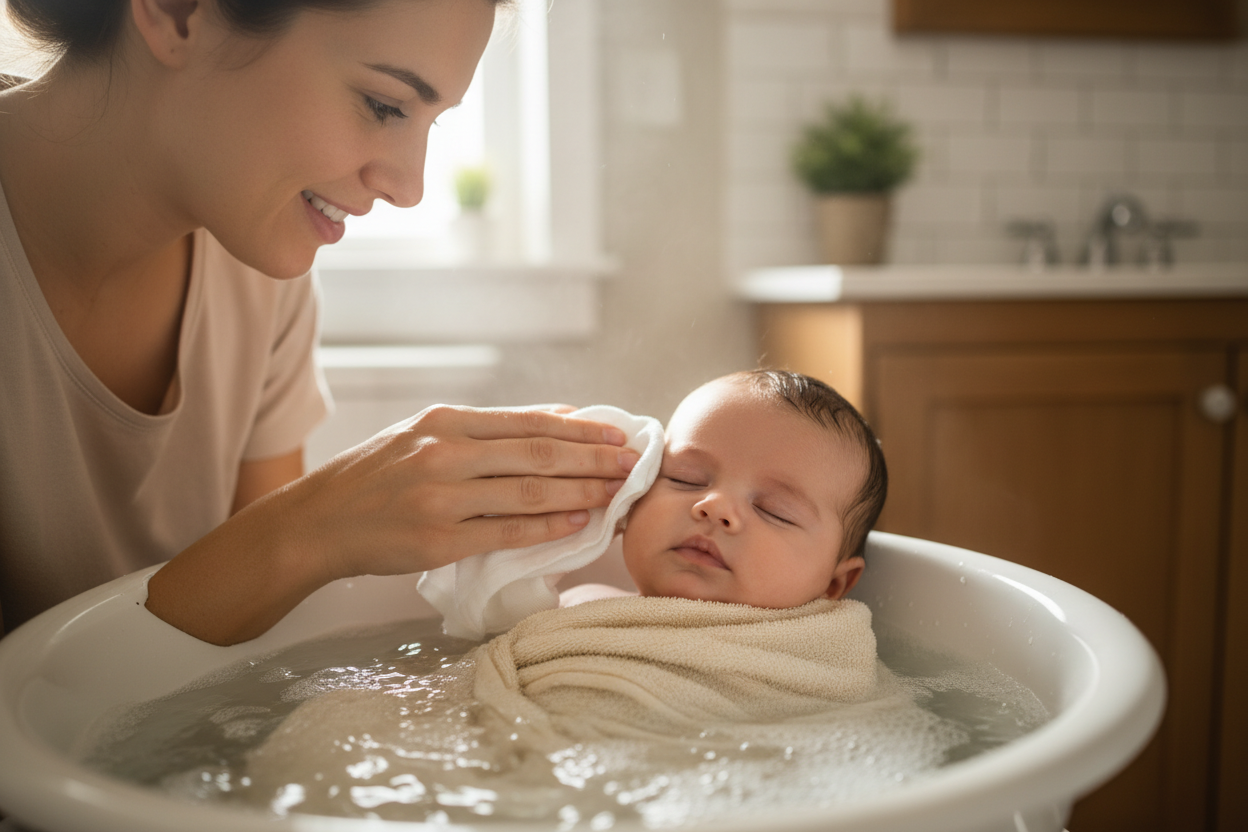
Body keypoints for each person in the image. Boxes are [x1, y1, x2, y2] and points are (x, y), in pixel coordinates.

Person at [0, 0, 638, 645]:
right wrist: (314, 526)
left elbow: (235, 641)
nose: (408, 186)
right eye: (384, 105)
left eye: (430, 122)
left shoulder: (257, 267)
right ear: (178, 12)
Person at [560, 369, 888, 609]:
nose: (714, 506)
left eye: (775, 511)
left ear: (834, 584)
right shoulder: (576, 606)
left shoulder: (821, 662)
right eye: (685, 478)